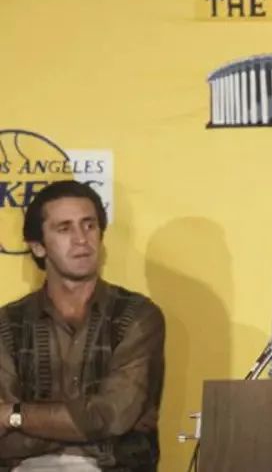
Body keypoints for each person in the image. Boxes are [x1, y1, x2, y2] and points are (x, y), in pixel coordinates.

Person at [0, 180, 165, 471]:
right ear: (38, 246)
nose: (81, 239)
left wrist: (16, 416)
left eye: (89, 225)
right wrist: (92, 428)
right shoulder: (7, 325)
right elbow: (5, 441)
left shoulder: (138, 315)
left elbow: (114, 414)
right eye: (64, 228)